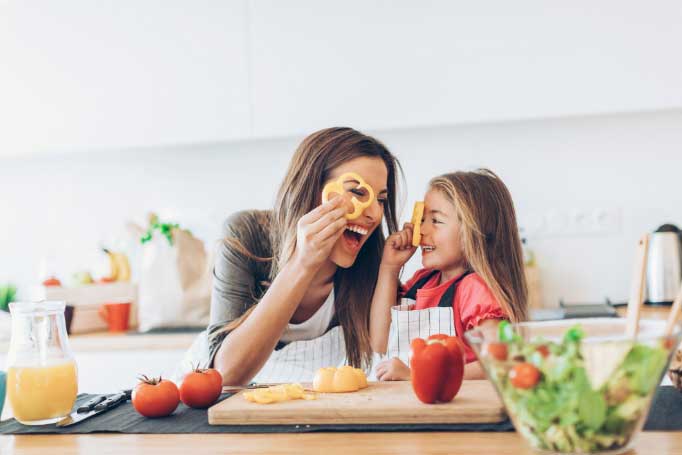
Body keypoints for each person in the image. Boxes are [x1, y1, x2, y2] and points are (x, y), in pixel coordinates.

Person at [180, 127, 403, 386]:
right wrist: (303, 262)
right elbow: (227, 376)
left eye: (381, 199)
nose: (374, 214)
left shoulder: (373, 263)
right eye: (357, 192)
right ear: (311, 188)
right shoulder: (247, 234)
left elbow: (383, 354)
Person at [369, 169, 528, 381]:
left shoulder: (474, 289)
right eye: (422, 219)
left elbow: (501, 361)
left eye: (435, 220)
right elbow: (380, 342)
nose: (421, 230)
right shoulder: (422, 282)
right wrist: (389, 268)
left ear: (473, 231)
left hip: (455, 412)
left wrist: (418, 375)